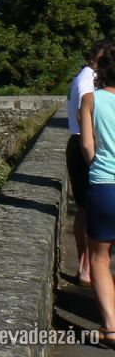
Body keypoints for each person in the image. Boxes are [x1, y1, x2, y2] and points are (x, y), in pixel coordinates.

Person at [80, 42, 115, 343]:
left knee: (100, 258)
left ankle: (112, 327)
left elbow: (88, 145)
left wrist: (98, 168)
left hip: (104, 186)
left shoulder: (91, 100)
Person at [71, 41, 106, 286]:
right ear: (95, 59)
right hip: (84, 145)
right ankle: (85, 267)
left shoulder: (85, 77)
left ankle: (85, 266)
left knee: (85, 207)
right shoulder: (88, 80)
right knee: (86, 208)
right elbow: (85, 113)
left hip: (81, 143)